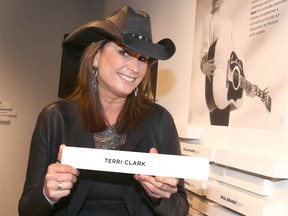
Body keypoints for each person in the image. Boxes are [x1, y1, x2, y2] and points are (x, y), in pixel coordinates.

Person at [18, 5, 188, 216]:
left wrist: (159, 195)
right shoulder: (54, 119)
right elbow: (27, 209)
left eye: (142, 58)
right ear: (96, 57)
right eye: (124, 52)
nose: (135, 68)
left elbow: (180, 209)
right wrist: (47, 193)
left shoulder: (159, 121)